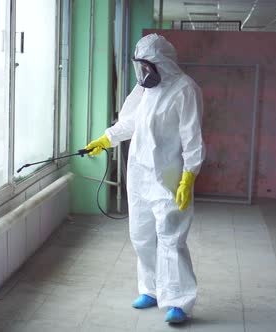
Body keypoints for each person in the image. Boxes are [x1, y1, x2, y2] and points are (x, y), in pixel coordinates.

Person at [85, 33, 205, 324]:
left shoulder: (185, 89)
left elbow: (192, 139)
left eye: (146, 66)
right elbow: (128, 122)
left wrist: (189, 176)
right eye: (140, 66)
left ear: (161, 63)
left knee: (170, 238)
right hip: (138, 173)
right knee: (141, 236)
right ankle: (150, 290)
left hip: (168, 175)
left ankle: (178, 301)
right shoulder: (143, 90)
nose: (142, 73)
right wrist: (105, 139)